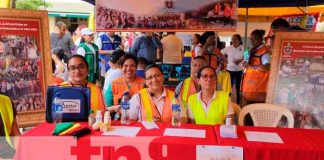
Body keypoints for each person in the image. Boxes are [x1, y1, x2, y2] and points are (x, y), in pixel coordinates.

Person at [105, 55, 145, 119]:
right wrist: (114, 108)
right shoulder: (114, 83)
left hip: (139, 120)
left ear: (136, 67)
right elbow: (105, 108)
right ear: (121, 67)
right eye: (125, 66)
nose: (129, 68)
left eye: (132, 66)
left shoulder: (144, 83)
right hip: (119, 120)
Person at [242, 29, 271, 101]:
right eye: (251, 39)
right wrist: (245, 63)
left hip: (258, 90)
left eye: (255, 39)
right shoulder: (252, 50)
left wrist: (250, 66)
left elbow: (267, 67)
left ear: (261, 39)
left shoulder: (264, 52)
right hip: (250, 89)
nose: (252, 41)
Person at [221, 34, 244, 104]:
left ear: (239, 40)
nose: (233, 40)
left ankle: (238, 103)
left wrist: (240, 61)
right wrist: (225, 59)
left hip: (239, 70)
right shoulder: (228, 48)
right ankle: (227, 102)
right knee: (228, 87)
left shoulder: (243, 47)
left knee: (238, 87)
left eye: (235, 39)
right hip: (229, 70)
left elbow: (246, 56)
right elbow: (220, 53)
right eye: (232, 39)